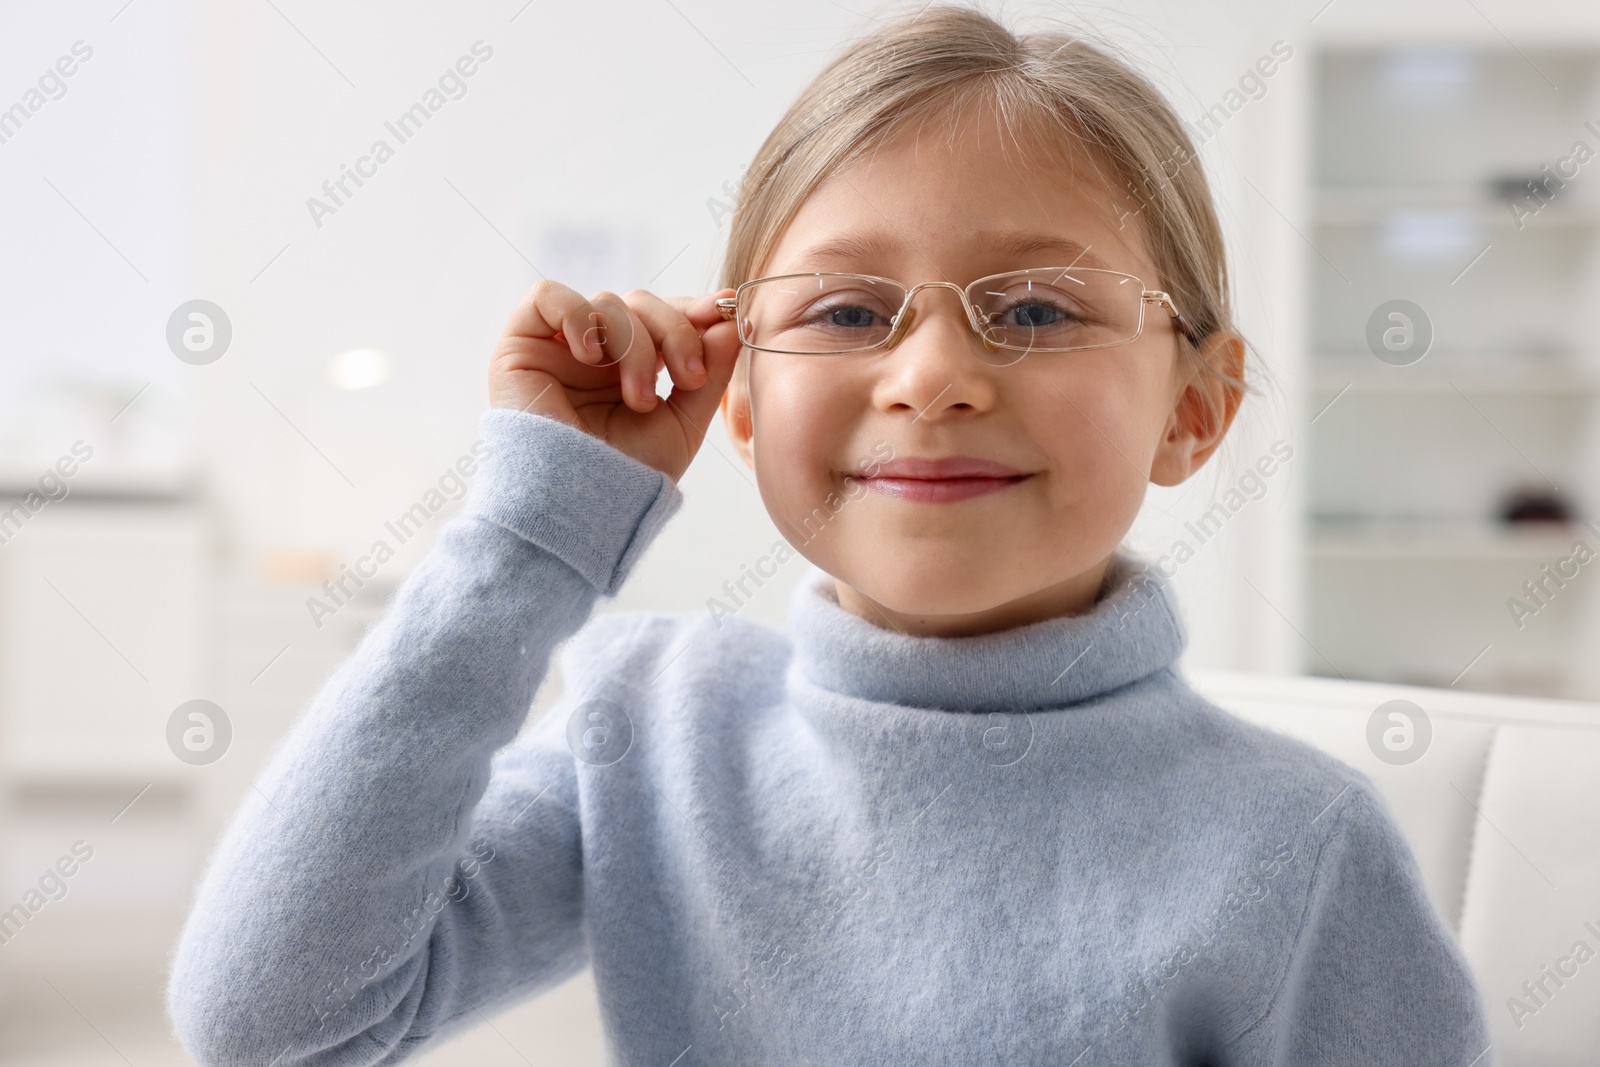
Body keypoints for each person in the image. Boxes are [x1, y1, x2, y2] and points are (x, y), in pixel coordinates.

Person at [167, 5, 1491, 1063]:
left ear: (1194, 410)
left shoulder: (1293, 846)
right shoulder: (653, 733)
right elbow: (273, 1022)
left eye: (1034, 311)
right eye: (849, 313)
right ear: (738, 402)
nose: (930, 377)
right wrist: (533, 530)